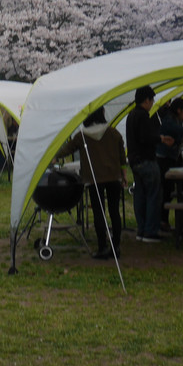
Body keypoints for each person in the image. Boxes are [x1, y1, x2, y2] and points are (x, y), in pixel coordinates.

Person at [75, 107, 128, 260]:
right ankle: (116, 246)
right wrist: (123, 174)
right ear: (102, 114)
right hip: (113, 177)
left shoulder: (82, 136)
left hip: (94, 179)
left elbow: (66, 149)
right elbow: (122, 155)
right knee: (114, 212)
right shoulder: (113, 132)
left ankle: (102, 247)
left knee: (99, 213)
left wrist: (51, 157)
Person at [126, 85, 173, 243]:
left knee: (140, 195)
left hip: (134, 161)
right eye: (152, 100)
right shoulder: (143, 116)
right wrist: (161, 139)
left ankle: (141, 229)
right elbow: (145, 138)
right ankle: (150, 232)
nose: (153, 103)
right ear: (146, 100)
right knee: (154, 195)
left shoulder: (131, 115)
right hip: (146, 160)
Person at [156, 97, 183, 232]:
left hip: (173, 159)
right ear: (178, 110)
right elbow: (177, 131)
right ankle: (163, 221)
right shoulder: (169, 120)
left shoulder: (178, 122)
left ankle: (182, 220)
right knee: (167, 191)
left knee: (180, 191)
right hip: (165, 159)